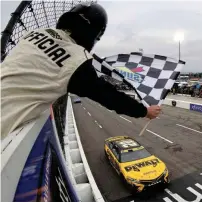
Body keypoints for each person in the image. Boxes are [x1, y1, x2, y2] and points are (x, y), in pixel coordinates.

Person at [1, 3, 161, 139]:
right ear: (93, 34)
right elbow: (108, 95)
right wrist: (144, 111)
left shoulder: (34, 33)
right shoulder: (76, 59)